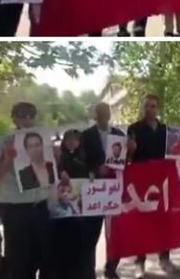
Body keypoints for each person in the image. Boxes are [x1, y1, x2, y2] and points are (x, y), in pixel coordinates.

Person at [0, 102, 52, 279]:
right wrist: (6, 159)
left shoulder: (43, 141)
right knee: (19, 265)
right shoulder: (2, 142)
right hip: (17, 212)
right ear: (14, 118)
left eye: (31, 115)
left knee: (47, 262)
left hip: (41, 209)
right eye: (22, 116)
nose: (27, 120)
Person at [126, 94, 180, 277]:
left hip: (162, 182)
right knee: (141, 222)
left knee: (163, 221)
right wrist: (130, 151)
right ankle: (139, 263)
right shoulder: (134, 129)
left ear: (158, 109)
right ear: (143, 108)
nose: (150, 109)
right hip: (141, 183)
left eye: (153, 106)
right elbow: (127, 159)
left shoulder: (166, 130)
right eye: (147, 106)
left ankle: (164, 259)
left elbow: (173, 155)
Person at [81, 103, 126, 279]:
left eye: (106, 113)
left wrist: (130, 150)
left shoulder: (119, 135)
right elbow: (80, 161)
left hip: (114, 189)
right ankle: (88, 270)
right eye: (100, 113)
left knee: (114, 233)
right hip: (94, 189)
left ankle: (111, 268)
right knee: (91, 232)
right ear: (95, 115)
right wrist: (93, 169)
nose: (104, 116)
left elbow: (126, 161)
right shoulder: (86, 136)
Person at [51, 129, 90, 278]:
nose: (72, 143)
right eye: (69, 140)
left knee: (78, 243)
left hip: (78, 209)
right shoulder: (59, 157)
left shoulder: (84, 156)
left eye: (75, 140)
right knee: (61, 244)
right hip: (60, 213)